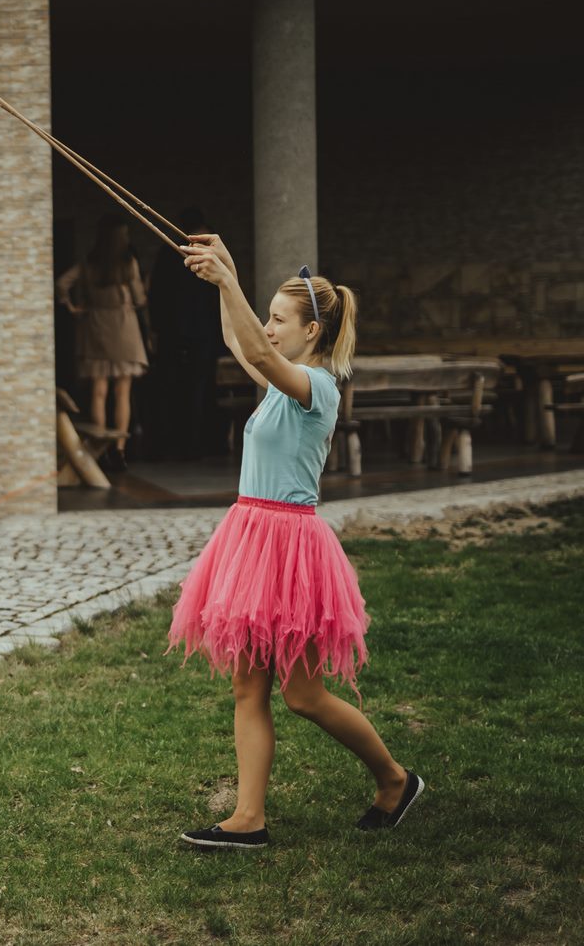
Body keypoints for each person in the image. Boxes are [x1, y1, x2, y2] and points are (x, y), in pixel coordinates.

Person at [166, 235, 423, 849]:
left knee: (304, 694)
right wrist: (224, 275)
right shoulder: (280, 379)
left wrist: (229, 282)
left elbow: (253, 345)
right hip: (251, 538)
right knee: (247, 686)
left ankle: (395, 780)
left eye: (279, 319)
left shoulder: (318, 388)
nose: (268, 327)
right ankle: (247, 819)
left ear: (312, 331)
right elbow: (241, 341)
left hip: (291, 550)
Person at [55, 213, 150, 471]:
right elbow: (140, 297)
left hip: (95, 326)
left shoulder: (88, 262)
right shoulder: (128, 262)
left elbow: (62, 283)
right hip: (124, 327)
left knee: (99, 392)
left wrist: (73, 307)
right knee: (123, 393)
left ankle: (102, 449)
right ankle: (119, 450)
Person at [144, 208, 228, 459]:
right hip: (199, 332)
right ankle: (195, 442)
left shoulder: (171, 253)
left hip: (177, 331)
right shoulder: (204, 256)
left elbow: (156, 295)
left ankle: (177, 442)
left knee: (178, 387)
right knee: (196, 388)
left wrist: (158, 330)